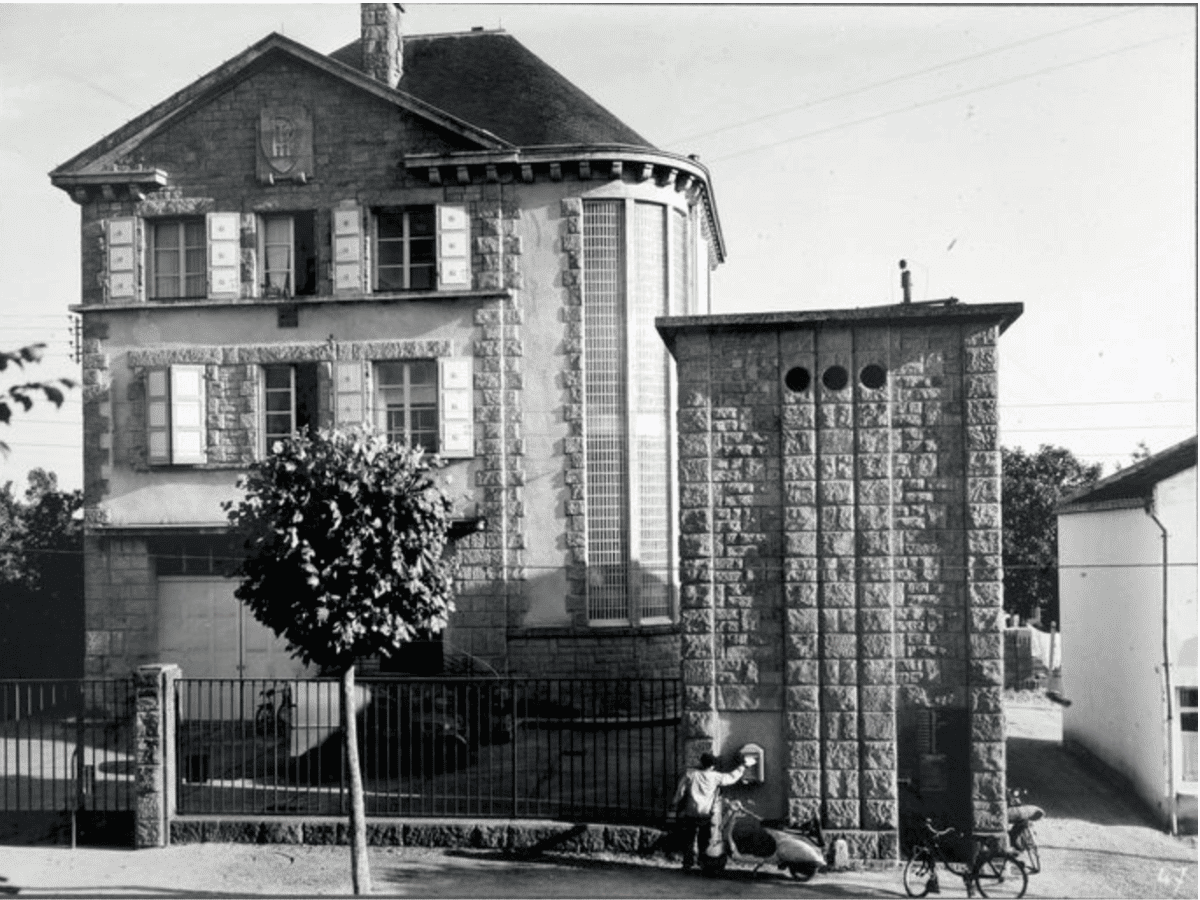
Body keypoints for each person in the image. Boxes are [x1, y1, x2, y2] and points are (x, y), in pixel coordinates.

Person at [672, 751, 748, 872]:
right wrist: (742, 766)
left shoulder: (690, 774)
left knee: (689, 838)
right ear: (712, 765)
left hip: (690, 812)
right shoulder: (716, 776)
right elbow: (731, 777)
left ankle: (687, 863)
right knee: (704, 839)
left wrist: (675, 803)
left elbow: (680, 792)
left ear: (701, 763)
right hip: (706, 814)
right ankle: (703, 862)